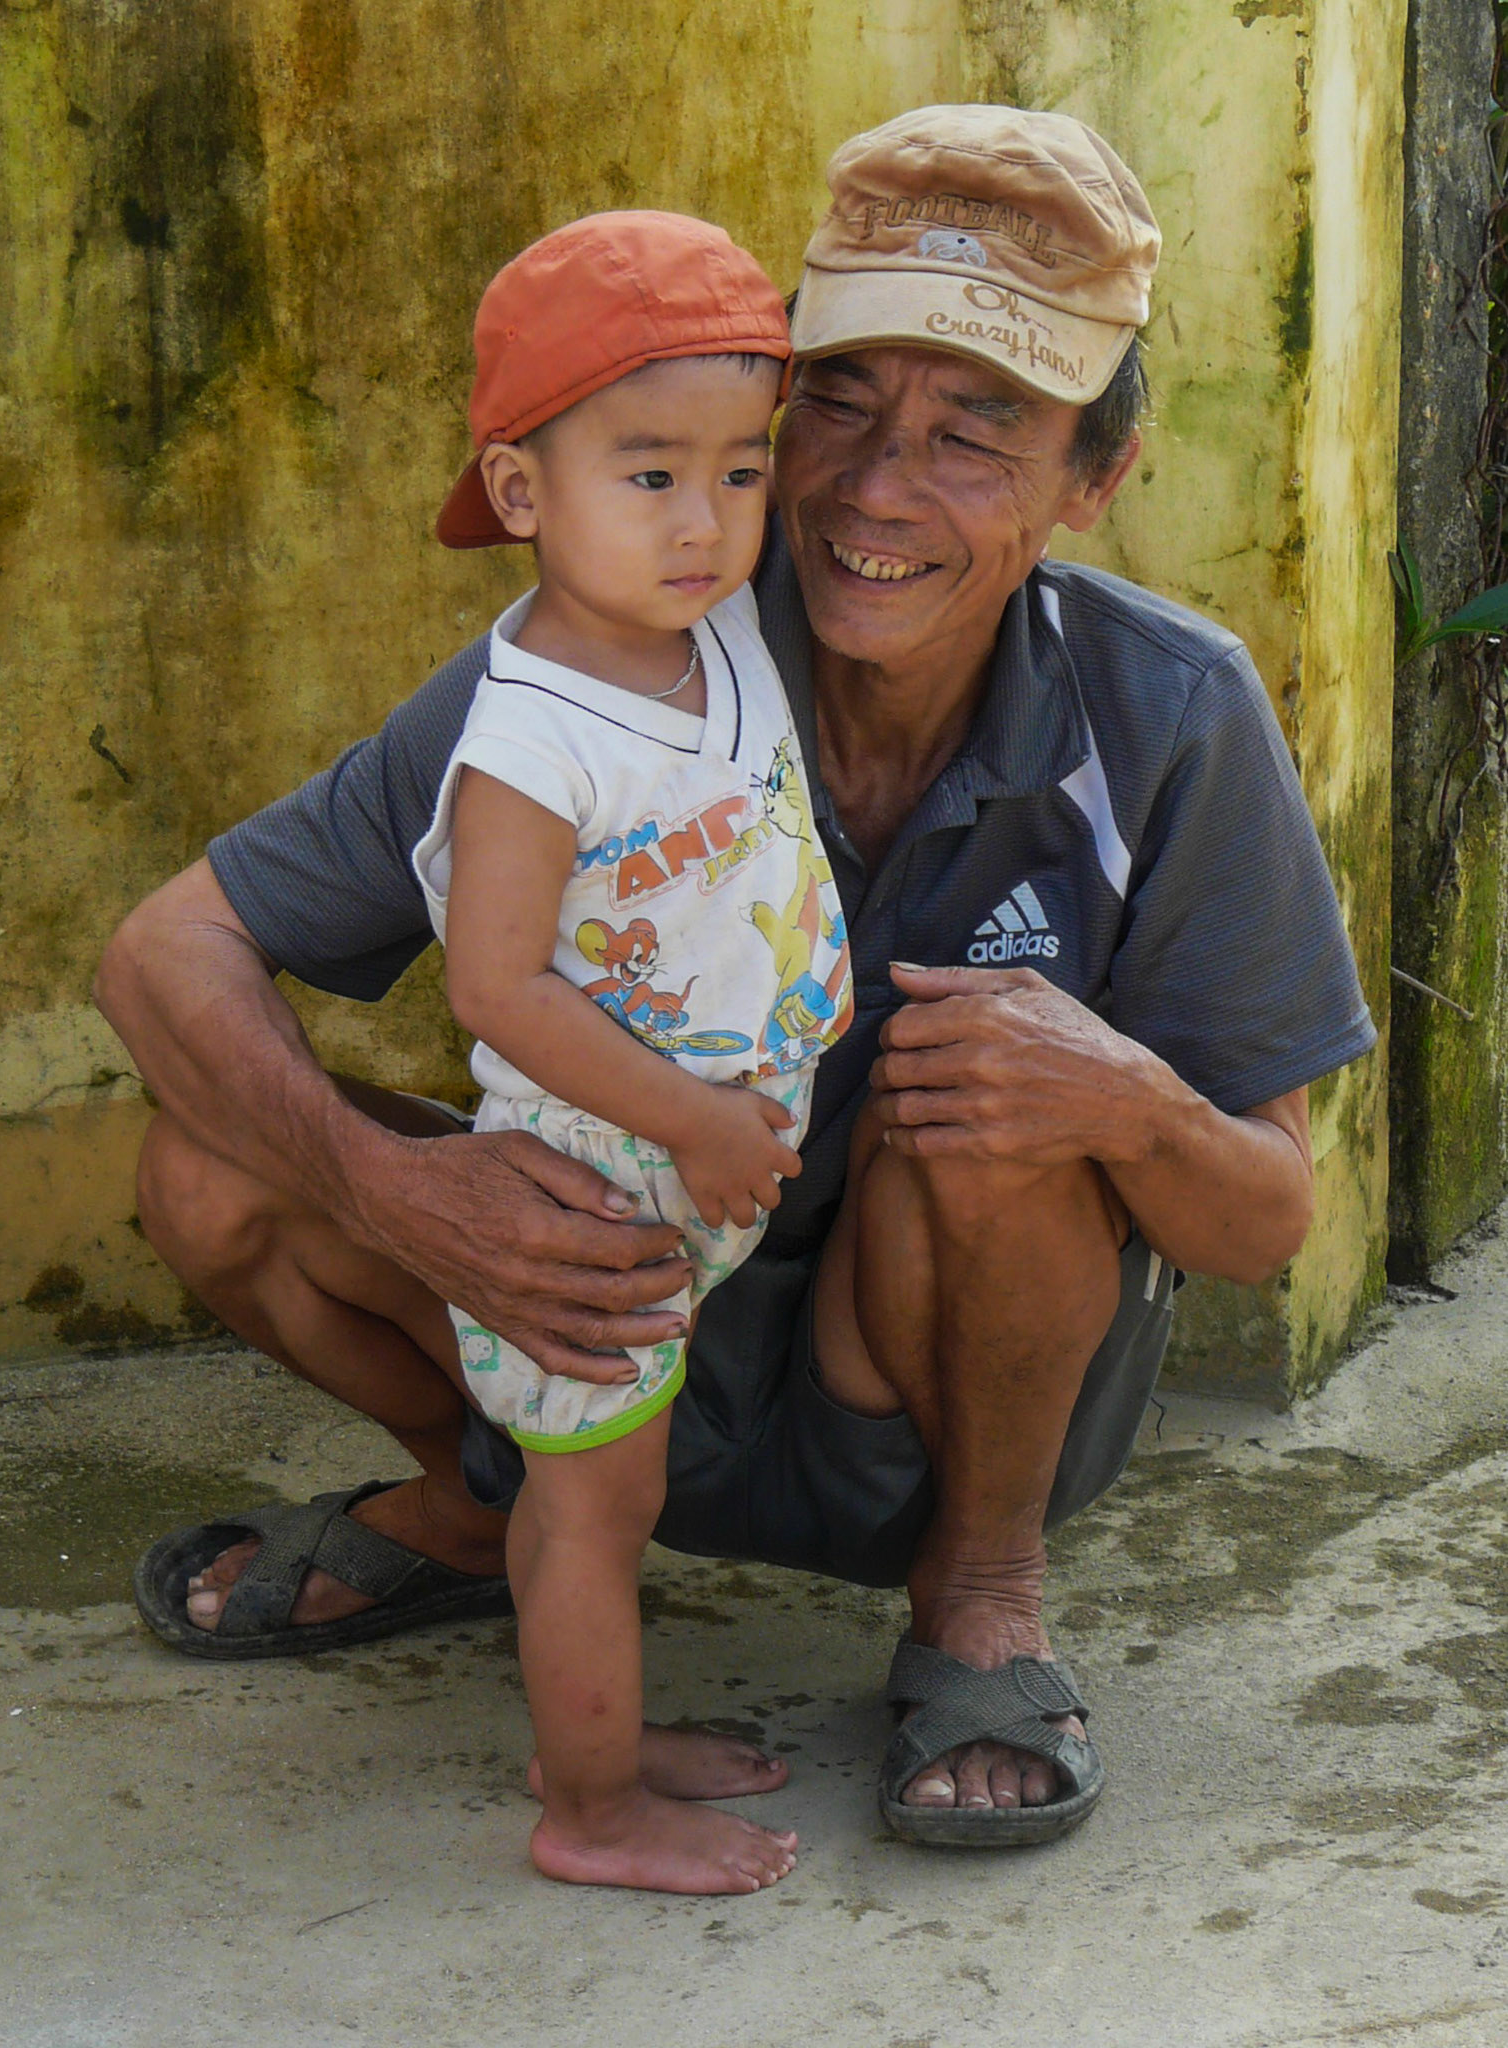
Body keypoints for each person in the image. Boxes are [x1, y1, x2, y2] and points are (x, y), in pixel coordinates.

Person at [100, 105, 1375, 1852]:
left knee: (993, 1082)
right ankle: (486, 1508)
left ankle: (979, 1602)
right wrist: (398, 1191)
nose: (871, 487)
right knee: (213, 1162)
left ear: (1094, 479)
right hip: (603, 1311)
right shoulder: (620, 638)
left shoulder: (1164, 712)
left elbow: (1261, 1219)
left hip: (920, 1390)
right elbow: (162, 949)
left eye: (977, 427)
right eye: (837, 403)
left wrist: (1123, 1100)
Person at [409, 210, 851, 1894]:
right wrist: (690, 1120)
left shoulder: (710, 632)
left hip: (692, 1168)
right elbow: (496, 988)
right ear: (522, 494)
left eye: (740, 470)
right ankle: (587, 1812)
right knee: (595, 1509)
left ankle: (590, 1727)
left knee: (603, 1498)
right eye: (647, 474)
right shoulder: (530, 735)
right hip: (596, 1189)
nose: (707, 521)